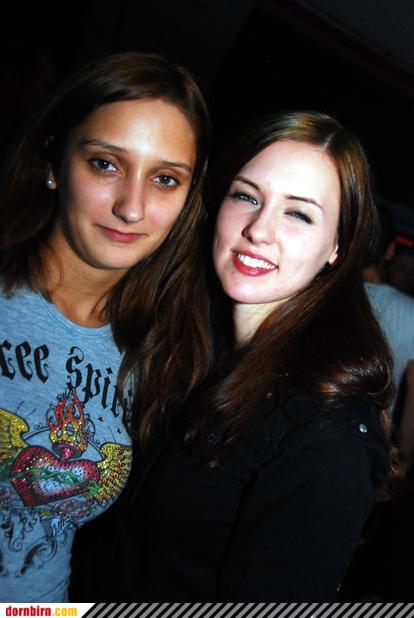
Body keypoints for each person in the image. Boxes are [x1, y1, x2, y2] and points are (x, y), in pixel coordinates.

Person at [103, 110, 393, 601]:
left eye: (298, 214)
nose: (258, 229)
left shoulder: (328, 427)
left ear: (336, 248)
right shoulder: (198, 348)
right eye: (247, 196)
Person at [0, 51, 211, 602]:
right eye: (105, 165)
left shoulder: (156, 352)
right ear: (54, 160)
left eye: (165, 179)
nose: (132, 208)